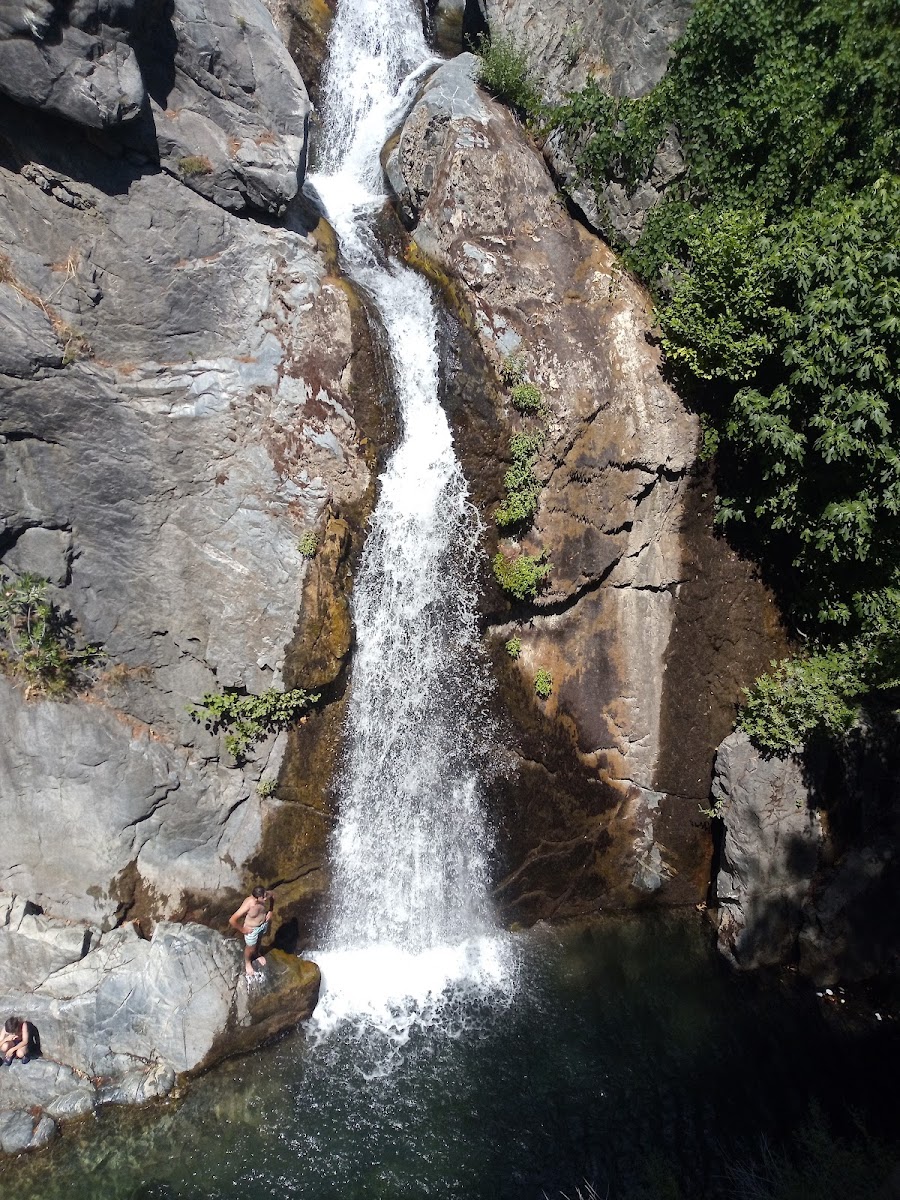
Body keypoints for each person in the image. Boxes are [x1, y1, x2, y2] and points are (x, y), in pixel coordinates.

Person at [229, 886, 275, 977]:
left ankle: (257, 954)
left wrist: (271, 910)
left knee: (259, 941)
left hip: (262, 924)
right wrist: (242, 930)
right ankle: (247, 962)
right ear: (257, 898)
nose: (266, 898)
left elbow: (273, 894)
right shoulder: (249, 904)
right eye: (263, 897)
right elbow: (232, 920)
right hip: (251, 929)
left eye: (265, 896)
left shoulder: (265, 895)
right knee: (250, 948)